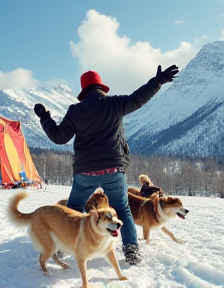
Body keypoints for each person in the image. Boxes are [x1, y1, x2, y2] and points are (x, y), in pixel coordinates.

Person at [34, 65, 179, 265]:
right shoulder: (114, 104)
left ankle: (62, 246)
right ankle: (131, 250)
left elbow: (58, 137)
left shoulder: (75, 111)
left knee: (74, 207)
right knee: (123, 208)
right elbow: (138, 98)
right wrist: (157, 81)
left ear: (83, 92)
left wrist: (45, 118)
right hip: (113, 169)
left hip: (85, 171)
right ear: (101, 88)